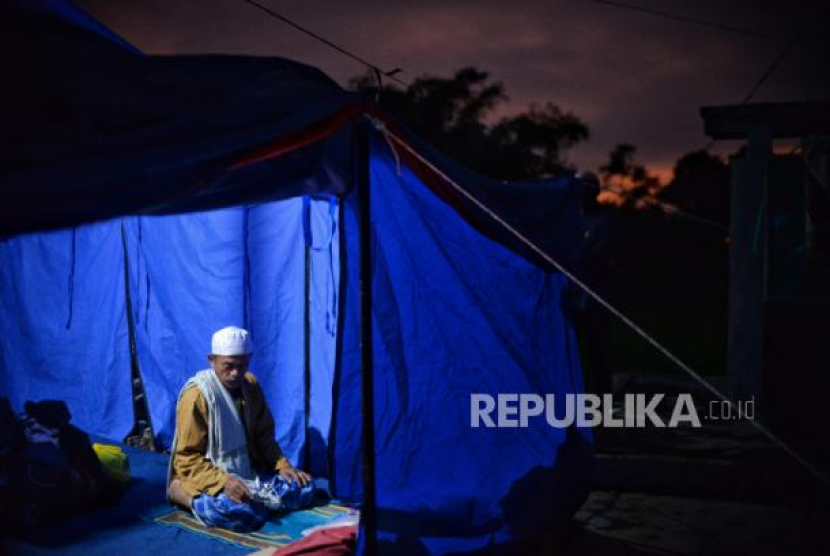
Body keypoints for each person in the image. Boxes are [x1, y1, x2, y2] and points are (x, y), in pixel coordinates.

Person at [166, 326, 316, 531]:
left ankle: (258, 502)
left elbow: (264, 437)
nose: (236, 373)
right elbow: (186, 458)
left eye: (242, 365)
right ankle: (182, 493)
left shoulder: (250, 385)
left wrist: (282, 466)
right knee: (243, 515)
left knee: (304, 488)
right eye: (228, 366)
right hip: (211, 477)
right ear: (212, 360)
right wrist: (224, 482)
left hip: (249, 472)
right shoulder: (197, 396)